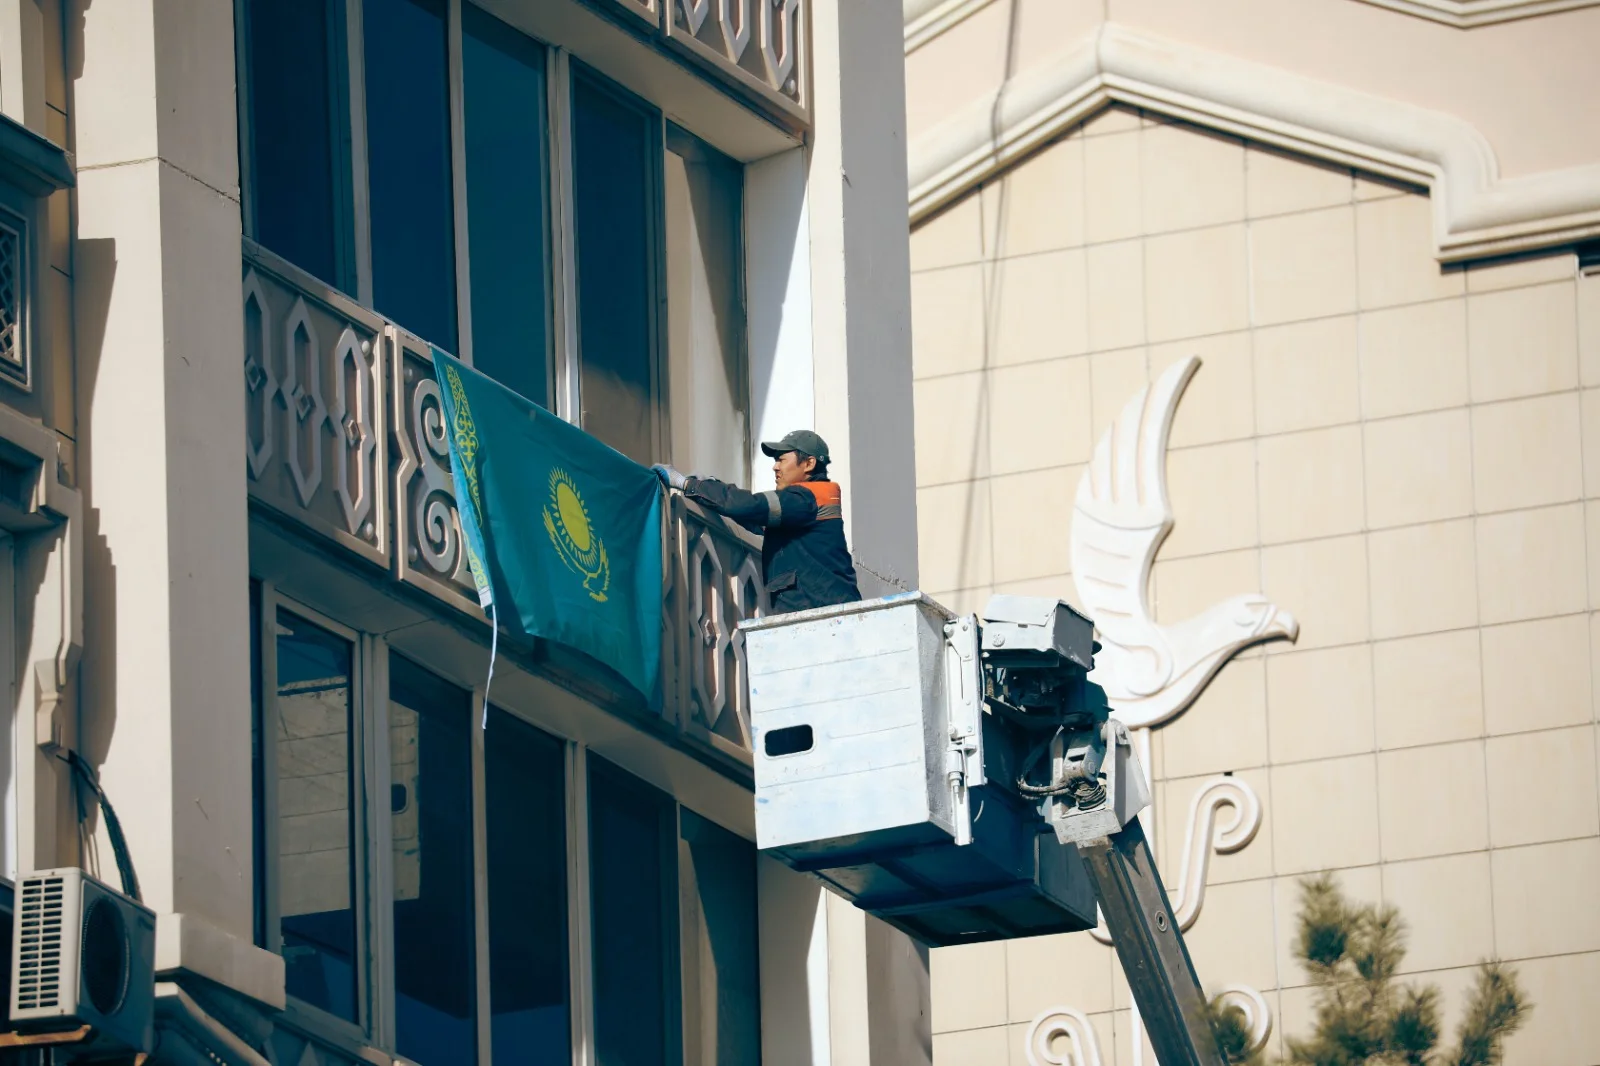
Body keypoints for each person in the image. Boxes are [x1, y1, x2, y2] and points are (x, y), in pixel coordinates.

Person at [652, 430, 862, 614]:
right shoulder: (805, 504)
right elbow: (753, 516)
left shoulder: (805, 498)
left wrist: (687, 484)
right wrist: (710, 487)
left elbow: (752, 506)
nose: (775, 467)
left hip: (822, 614)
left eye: (782, 460)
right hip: (823, 611)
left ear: (809, 464)